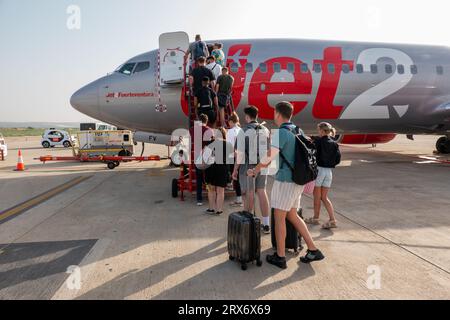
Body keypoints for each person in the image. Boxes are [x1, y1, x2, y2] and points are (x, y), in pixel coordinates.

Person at [247, 101, 325, 269]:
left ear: (277, 114)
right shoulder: (297, 129)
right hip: (298, 181)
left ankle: (280, 256)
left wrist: (255, 170)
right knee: (292, 215)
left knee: (280, 218)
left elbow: (269, 157)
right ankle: (313, 249)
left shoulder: (282, 133)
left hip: (286, 181)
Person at [233, 106, 271, 234]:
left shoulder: (243, 130)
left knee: (249, 192)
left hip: (248, 165)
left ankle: (249, 222)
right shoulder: (265, 129)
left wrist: (235, 170)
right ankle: (266, 224)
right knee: (261, 191)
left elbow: (240, 154)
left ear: (247, 117)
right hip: (263, 163)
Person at [305, 122, 341, 229]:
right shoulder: (335, 143)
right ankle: (332, 219)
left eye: (318, 130)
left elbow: (311, 149)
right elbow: (338, 159)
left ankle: (316, 218)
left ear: (321, 130)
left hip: (319, 171)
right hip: (329, 172)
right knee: (324, 197)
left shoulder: (318, 141)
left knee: (317, 197)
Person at [204, 127, 233, 215]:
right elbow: (231, 159)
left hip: (211, 168)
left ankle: (211, 208)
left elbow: (205, 157)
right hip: (222, 169)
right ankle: (219, 210)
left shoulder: (209, 143)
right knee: (220, 191)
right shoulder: (228, 144)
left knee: (211, 190)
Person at [190, 114, 215, 206]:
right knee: (209, 178)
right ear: (206, 121)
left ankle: (199, 199)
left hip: (197, 157)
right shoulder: (209, 130)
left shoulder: (193, 129)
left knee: (199, 178)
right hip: (207, 156)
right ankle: (211, 196)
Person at [227, 112, 243, 207]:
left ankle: (239, 199)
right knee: (240, 177)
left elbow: (230, 146)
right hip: (242, 156)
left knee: (235, 177)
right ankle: (241, 198)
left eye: (229, 122)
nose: (229, 124)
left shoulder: (230, 131)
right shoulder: (242, 130)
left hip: (233, 156)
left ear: (232, 121)